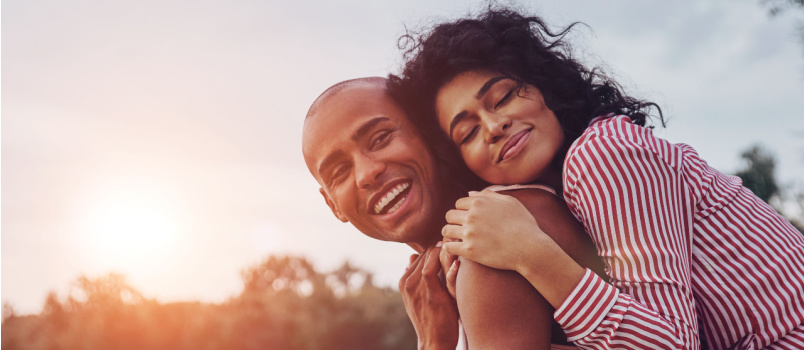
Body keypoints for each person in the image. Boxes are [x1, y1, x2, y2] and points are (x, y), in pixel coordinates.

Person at [389, 7, 804, 350]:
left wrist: (530, 254)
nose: (494, 125)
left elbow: (673, 344)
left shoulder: (601, 153)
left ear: (543, 87)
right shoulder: (560, 200)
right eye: (468, 132)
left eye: (503, 96)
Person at [301, 77, 603, 349]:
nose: (366, 174)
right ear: (333, 205)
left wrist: (432, 346)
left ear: (430, 134)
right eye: (340, 172)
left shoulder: (491, 241)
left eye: (380, 139)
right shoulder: (453, 266)